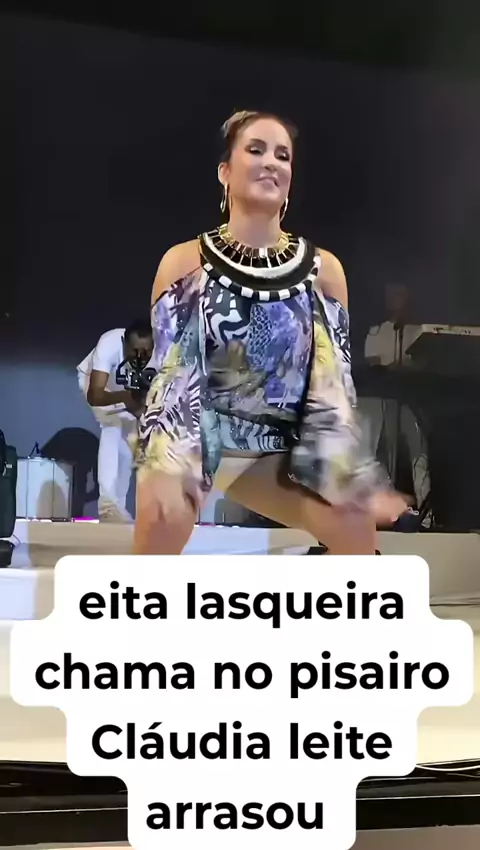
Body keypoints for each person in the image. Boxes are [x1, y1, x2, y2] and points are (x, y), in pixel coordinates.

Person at [132, 110, 407, 554]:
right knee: (162, 516)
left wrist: (351, 481)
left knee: (355, 527)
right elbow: (173, 384)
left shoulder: (324, 271)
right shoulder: (184, 263)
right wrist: (165, 471)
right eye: (256, 150)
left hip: (276, 452)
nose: (271, 162)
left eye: (283, 155)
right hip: (197, 438)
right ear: (225, 172)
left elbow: (332, 388)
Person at [77, 320, 153, 522]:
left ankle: (118, 506)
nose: (140, 357)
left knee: (130, 438)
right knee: (112, 424)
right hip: (97, 385)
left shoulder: (163, 353)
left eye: (146, 352)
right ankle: (107, 505)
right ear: (124, 344)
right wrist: (126, 399)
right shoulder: (109, 344)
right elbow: (95, 395)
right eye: (135, 351)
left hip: (128, 391)